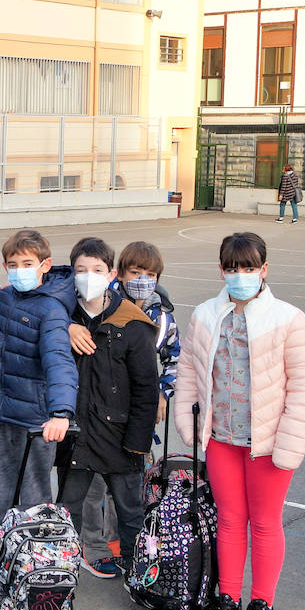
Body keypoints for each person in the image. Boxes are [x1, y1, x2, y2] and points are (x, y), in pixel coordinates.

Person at [179, 232, 305, 610]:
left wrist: (289, 444)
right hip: (222, 438)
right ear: (221, 270)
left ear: (264, 269)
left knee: (264, 521)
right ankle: (229, 596)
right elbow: (189, 366)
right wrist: (189, 423)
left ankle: (263, 603)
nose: (240, 275)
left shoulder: (287, 319)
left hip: (268, 444)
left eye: (248, 267)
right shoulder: (206, 313)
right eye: (232, 268)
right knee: (228, 518)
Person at [0, 229, 78, 607]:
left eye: (27, 264)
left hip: (34, 424)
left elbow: (60, 362)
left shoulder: (52, 309)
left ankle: (36, 579)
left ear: (44, 266)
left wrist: (60, 412)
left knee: (32, 504)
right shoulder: (1, 298)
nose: (18, 271)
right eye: (12, 265)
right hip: (0, 418)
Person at [71, 240, 183, 576]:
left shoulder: (157, 318)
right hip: (89, 420)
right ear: (121, 273)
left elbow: (169, 364)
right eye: (136, 272)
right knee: (89, 493)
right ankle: (92, 547)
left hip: (130, 421)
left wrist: (164, 392)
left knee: (128, 496)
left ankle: (130, 554)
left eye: (151, 274)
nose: (143, 279)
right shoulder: (83, 305)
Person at [55, 237, 158, 581]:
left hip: (119, 435)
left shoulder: (133, 322)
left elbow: (146, 388)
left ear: (111, 273)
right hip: (76, 436)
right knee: (67, 508)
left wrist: (138, 442)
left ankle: (134, 569)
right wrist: (64, 326)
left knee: (129, 510)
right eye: (81, 270)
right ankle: (62, 568)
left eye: (97, 270)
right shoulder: (60, 315)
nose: (88, 276)